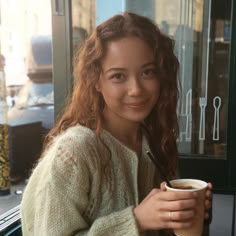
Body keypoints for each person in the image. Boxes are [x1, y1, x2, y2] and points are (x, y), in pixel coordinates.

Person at [20, 12, 212, 236]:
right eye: (118, 76)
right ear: (96, 82)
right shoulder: (72, 153)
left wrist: (188, 215)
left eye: (147, 72)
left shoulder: (156, 142)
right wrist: (136, 220)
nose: (136, 89)